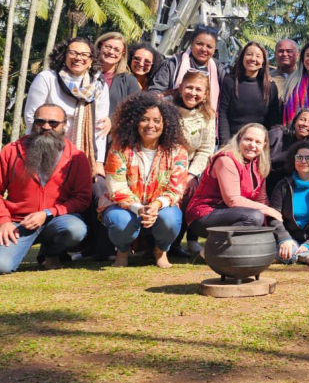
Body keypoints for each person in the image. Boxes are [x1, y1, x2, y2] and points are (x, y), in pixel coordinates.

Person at [0, 105, 91, 273]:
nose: (46, 127)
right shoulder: (11, 151)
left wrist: (48, 213)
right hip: (19, 222)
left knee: (76, 229)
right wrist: (4, 221)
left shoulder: (77, 157)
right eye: (40, 121)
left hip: (57, 220)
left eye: (53, 123)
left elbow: (82, 198)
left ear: (64, 125)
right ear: (33, 123)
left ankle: (50, 253)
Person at [99, 92, 189, 268]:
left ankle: (160, 250)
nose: (150, 125)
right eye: (144, 119)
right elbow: (116, 187)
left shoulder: (177, 151)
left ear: (166, 123)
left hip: (160, 206)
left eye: (157, 121)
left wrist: (156, 205)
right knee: (119, 221)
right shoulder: (119, 149)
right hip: (124, 206)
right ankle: (122, 251)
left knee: (170, 219)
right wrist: (138, 208)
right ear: (134, 122)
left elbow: (176, 189)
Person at [24, 37, 110, 177]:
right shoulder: (47, 78)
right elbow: (31, 117)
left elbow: (100, 127)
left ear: (91, 61)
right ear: (64, 55)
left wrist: (98, 162)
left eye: (84, 55)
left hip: (81, 154)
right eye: (73, 53)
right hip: (45, 149)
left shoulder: (99, 85)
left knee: (98, 187)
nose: (78, 58)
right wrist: (55, 148)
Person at [187, 123, 283, 237]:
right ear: (239, 138)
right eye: (248, 140)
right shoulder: (226, 160)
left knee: (263, 216)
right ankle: (219, 245)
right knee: (254, 217)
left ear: (264, 145)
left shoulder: (259, 164)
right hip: (204, 214)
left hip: (233, 212)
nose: (252, 145)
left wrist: (272, 218)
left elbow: (261, 199)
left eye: (258, 142)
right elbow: (232, 200)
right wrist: (267, 210)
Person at [168, 69, 217, 257]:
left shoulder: (207, 116)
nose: (193, 93)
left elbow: (205, 149)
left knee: (189, 194)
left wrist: (190, 175)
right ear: (181, 88)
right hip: (165, 165)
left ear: (205, 94)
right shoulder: (167, 109)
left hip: (191, 167)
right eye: (189, 88)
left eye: (198, 90)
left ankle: (177, 243)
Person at [149, 24, 226, 113]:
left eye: (209, 46)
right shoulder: (173, 64)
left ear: (214, 49)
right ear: (191, 43)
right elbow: (155, 92)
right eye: (199, 44)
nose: (204, 49)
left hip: (207, 119)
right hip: (173, 115)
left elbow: (226, 98)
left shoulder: (219, 70)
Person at [218, 41, 279, 146]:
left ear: (263, 62)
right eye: (249, 54)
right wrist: (225, 143)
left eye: (258, 56)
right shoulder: (230, 82)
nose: (253, 59)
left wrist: (268, 145)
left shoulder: (270, 87)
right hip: (233, 143)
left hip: (258, 145)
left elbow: (274, 120)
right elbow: (223, 114)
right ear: (242, 58)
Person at [96, 32, 141, 117]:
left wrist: (112, 121)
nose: (111, 52)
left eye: (117, 50)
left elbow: (137, 111)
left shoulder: (129, 81)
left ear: (122, 54)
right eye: (108, 47)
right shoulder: (86, 74)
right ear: (100, 47)